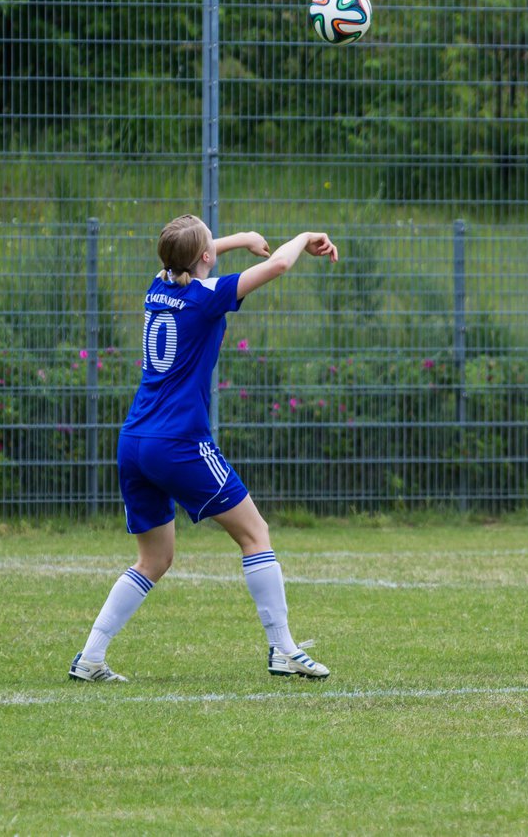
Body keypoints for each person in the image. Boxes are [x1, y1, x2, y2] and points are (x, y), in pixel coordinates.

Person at [68, 215, 339, 682]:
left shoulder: (158, 286)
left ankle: (91, 656)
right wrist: (301, 236)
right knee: (255, 534)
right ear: (207, 258)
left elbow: (189, 255)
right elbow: (276, 266)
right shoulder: (207, 296)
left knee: (154, 559)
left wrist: (240, 238)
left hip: (134, 440)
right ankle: (283, 649)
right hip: (179, 441)